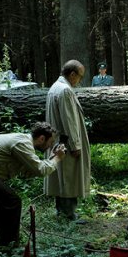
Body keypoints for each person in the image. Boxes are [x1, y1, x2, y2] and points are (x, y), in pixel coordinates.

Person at [0, 122, 66, 246]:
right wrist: (57, 158)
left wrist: (52, 159)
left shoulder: (24, 143)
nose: (50, 146)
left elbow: (28, 172)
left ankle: (2, 239)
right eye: (50, 142)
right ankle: (9, 243)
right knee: (11, 200)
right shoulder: (22, 143)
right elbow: (40, 170)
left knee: (5, 200)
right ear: (42, 138)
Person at [44, 59, 91, 220]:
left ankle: (62, 211)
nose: (79, 80)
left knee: (61, 177)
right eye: (80, 76)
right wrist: (75, 145)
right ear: (72, 74)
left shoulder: (55, 87)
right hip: (66, 142)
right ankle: (68, 214)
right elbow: (69, 120)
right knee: (69, 177)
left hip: (58, 141)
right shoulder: (65, 90)